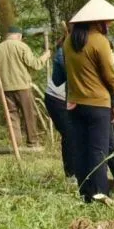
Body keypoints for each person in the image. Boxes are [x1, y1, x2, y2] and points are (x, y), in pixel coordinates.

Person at [63, 0, 114, 203]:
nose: (109, 24)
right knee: (99, 152)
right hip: (97, 105)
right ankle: (101, 194)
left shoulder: (69, 41)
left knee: (81, 150)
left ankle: (86, 195)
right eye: (107, 21)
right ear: (97, 22)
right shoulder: (99, 41)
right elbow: (109, 76)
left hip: (76, 104)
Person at [0, 29, 48, 147]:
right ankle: (32, 142)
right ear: (18, 36)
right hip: (22, 86)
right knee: (29, 114)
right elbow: (35, 65)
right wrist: (45, 56)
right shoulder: (22, 46)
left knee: (12, 115)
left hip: (4, 87)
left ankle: (16, 143)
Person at [43, 44, 76, 178]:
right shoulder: (64, 51)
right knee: (70, 135)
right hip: (58, 99)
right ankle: (71, 174)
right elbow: (63, 78)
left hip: (75, 99)